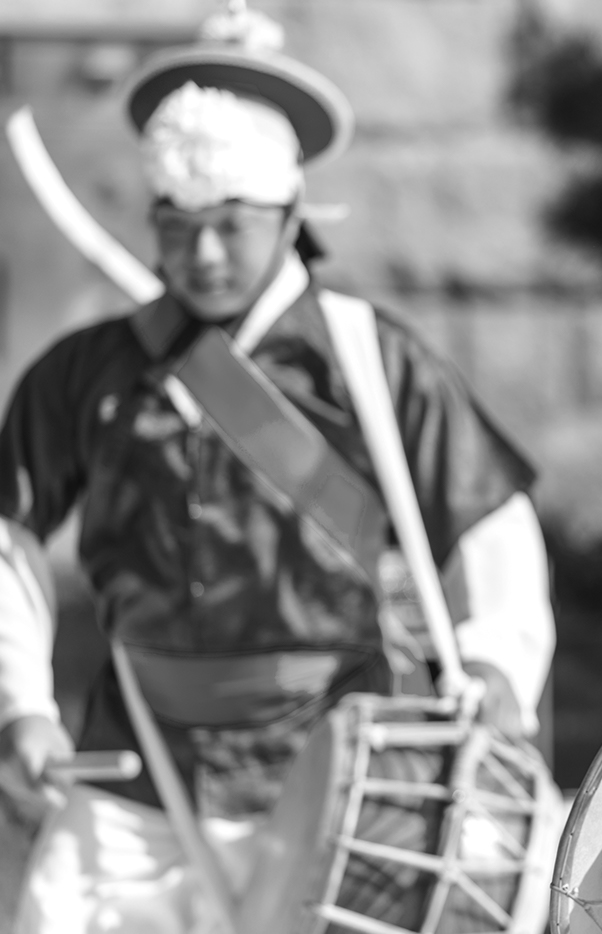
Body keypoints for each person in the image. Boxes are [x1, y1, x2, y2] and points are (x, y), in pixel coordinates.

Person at [0, 4, 555, 931]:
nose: (201, 255)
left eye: (230, 225)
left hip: (340, 760)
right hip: (135, 758)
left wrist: (495, 667)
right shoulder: (86, 374)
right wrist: (21, 704)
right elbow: (9, 537)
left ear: (291, 213)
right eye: (176, 226)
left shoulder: (378, 363)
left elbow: (490, 528)